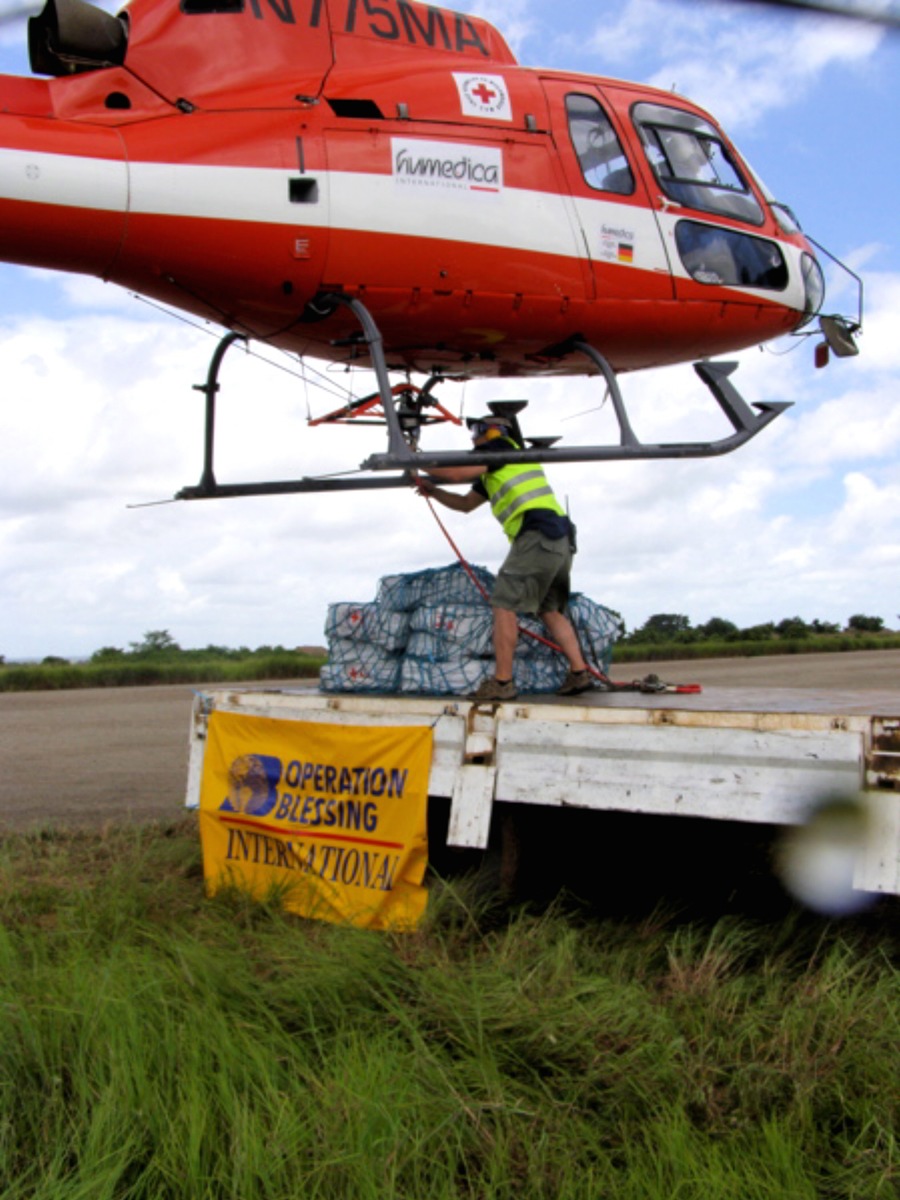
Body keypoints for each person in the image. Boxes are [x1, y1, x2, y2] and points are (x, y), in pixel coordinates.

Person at [416, 413, 593, 701]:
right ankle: (579, 672)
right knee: (550, 610)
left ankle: (502, 682)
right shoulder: (502, 465)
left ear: (493, 432)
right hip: (559, 541)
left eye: (476, 430)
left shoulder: (500, 451)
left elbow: (456, 473)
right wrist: (434, 492)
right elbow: (464, 504)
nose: (473, 437)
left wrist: (411, 459)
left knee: (503, 603)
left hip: (537, 534)